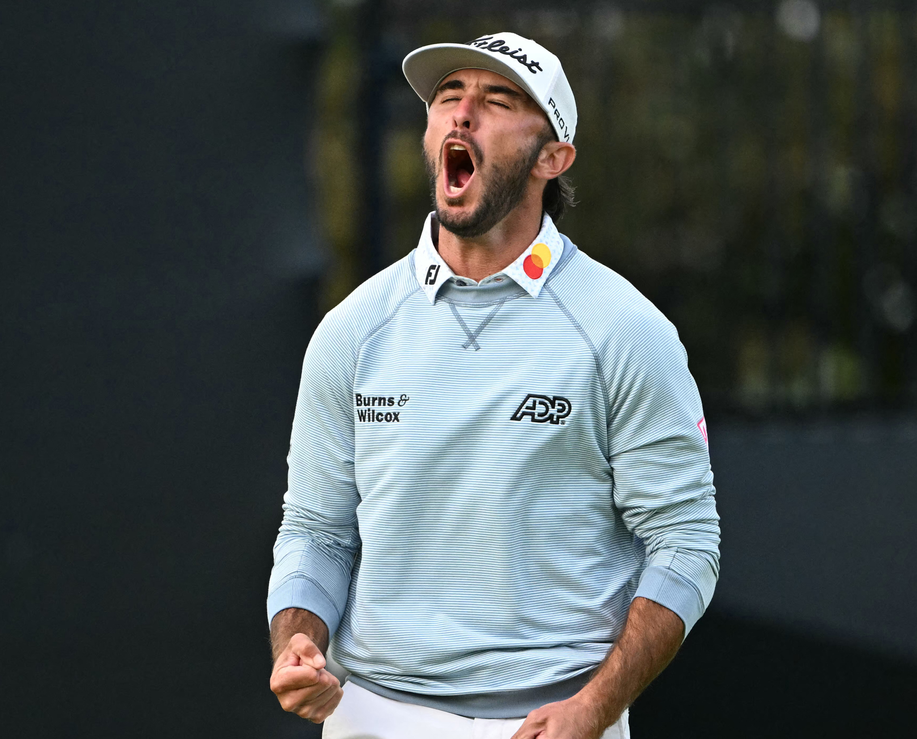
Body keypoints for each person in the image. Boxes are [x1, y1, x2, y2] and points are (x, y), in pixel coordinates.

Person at [267, 31, 720, 739]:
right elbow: (318, 530)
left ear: (553, 157)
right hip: (368, 716)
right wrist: (298, 637)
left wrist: (595, 709)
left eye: (497, 100)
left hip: (554, 723)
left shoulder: (627, 331)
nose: (462, 114)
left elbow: (686, 541)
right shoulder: (352, 330)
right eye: (448, 97)